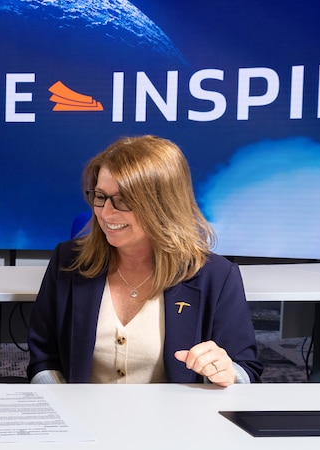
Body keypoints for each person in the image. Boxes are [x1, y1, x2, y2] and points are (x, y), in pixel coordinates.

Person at [27, 135, 262, 386]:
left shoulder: (216, 275)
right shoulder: (68, 260)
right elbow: (44, 358)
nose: (106, 213)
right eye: (100, 196)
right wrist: (61, 405)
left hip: (174, 421)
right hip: (80, 419)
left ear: (162, 206)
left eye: (123, 200)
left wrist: (227, 373)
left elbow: (245, 369)